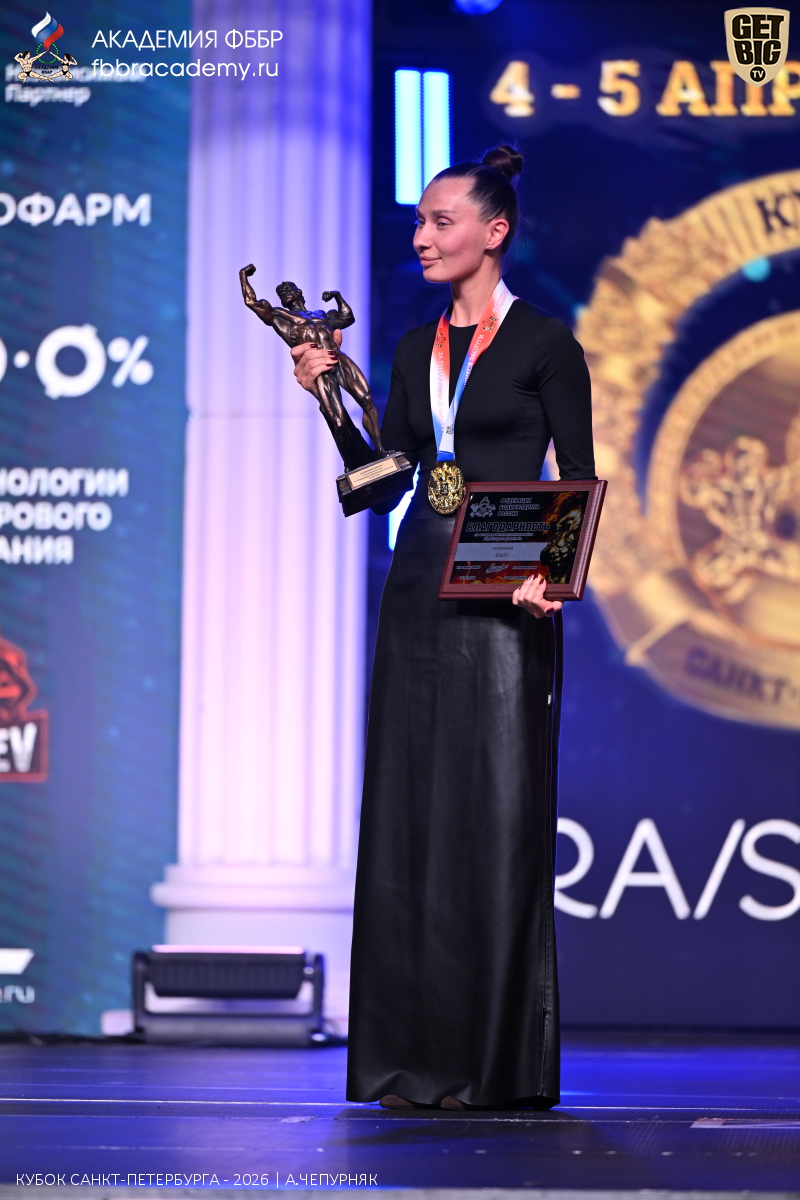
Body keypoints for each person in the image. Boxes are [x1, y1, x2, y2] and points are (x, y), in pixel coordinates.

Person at [291, 145, 595, 1110]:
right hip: (419, 585)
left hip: (507, 592)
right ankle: (405, 1060)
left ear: (493, 232)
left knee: (493, 816)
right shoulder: (413, 346)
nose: (421, 236)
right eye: (420, 222)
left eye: (440, 221)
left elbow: (577, 475)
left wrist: (551, 579)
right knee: (410, 811)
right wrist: (328, 398)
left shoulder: (546, 342)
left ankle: (490, 1063)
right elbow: (382, 484)